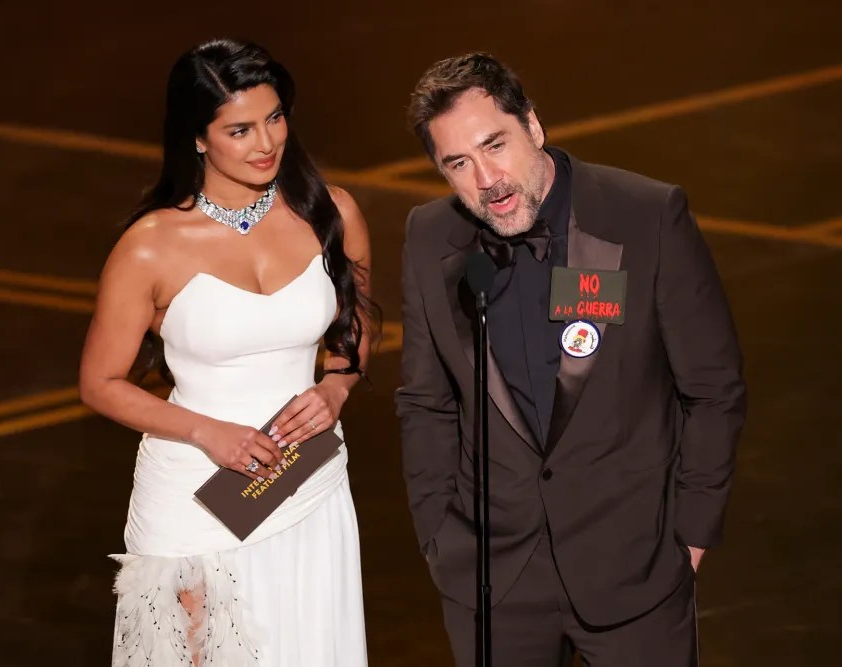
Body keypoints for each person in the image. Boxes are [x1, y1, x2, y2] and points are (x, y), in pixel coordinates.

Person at [396, 52, 746, 666]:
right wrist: (438, 535)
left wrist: (691, 534)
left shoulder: (645, 216)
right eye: (459, 163)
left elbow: (713, 388)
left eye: (495, 145)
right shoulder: (430, 237)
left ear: (533, 125)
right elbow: (426, 402)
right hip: (493, 581)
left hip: (635, 570)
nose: (487, 178)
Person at [78, 38, 375, 667]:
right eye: (239, 130)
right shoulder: (149, 247)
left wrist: (336, 387)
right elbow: (100, 382)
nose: (266, 143)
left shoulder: (331, 213)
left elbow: (355, 327)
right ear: (197, 138)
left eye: (275, 118)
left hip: (308, 484)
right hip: (194, 496)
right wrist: (206, 431)